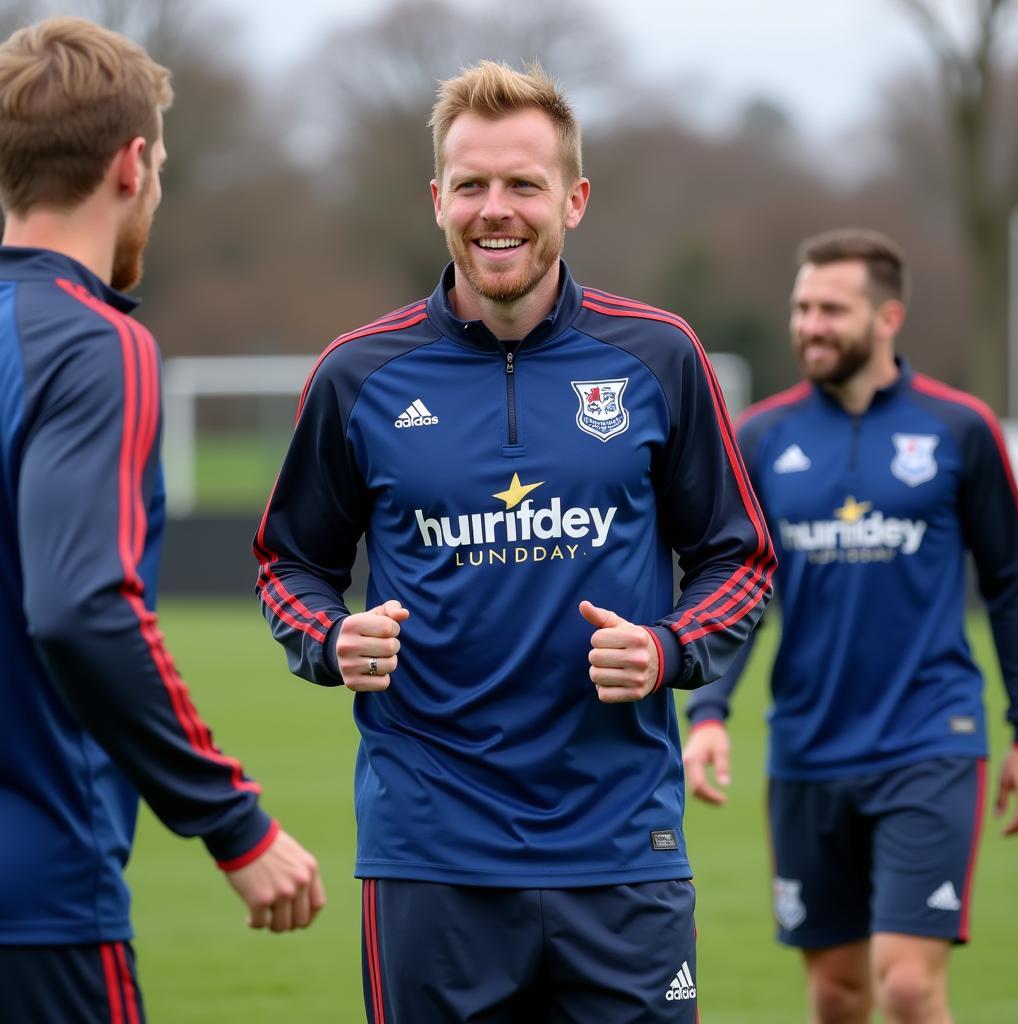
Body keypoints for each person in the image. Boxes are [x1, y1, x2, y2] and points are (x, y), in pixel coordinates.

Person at [255, 59, 775, 1023]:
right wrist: (330, 639)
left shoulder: (659, 356)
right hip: (431, 851)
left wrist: (669, 648)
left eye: (524, 184)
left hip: (621, 847)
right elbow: (291, 565)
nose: (498, 210)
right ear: (437, 200)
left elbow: (738, 560)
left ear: (573, 199)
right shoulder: (356, 376)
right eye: (473, 185)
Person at [0, 17, 325, 1023]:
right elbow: (82, 606)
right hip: (36, 895)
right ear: (133, 164)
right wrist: (232, 821)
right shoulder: (93, 345)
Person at [683, 228, 1018, 1024]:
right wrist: (709, 713)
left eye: (832, 309)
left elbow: (1011, 585)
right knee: (837, 995)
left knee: (907, 986)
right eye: (802, 308)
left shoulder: (960, 428)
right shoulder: (763, 437)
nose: (810, 325)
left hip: (929, 740)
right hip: (807, 747)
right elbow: (737, 592)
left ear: (887, 318)